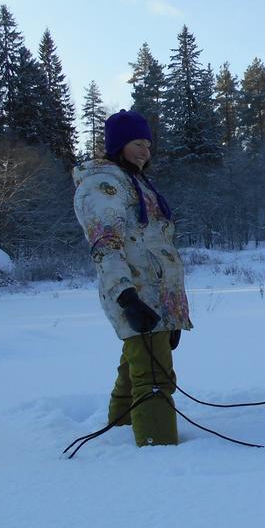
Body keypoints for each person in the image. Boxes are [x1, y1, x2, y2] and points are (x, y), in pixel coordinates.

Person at [72, 109, 192, 446]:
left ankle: (120, 431)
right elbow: (105, 243)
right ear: (118, 144)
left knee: (137, 363)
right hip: (136, 292)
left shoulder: (134, 182)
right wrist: (127, 297)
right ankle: (157, 448)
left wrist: (171, 313)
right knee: (154, 376)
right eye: (137, 143)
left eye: (148, 145)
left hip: (156, 294)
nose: (145, 151)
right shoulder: (103, 183)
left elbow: (153, 242)